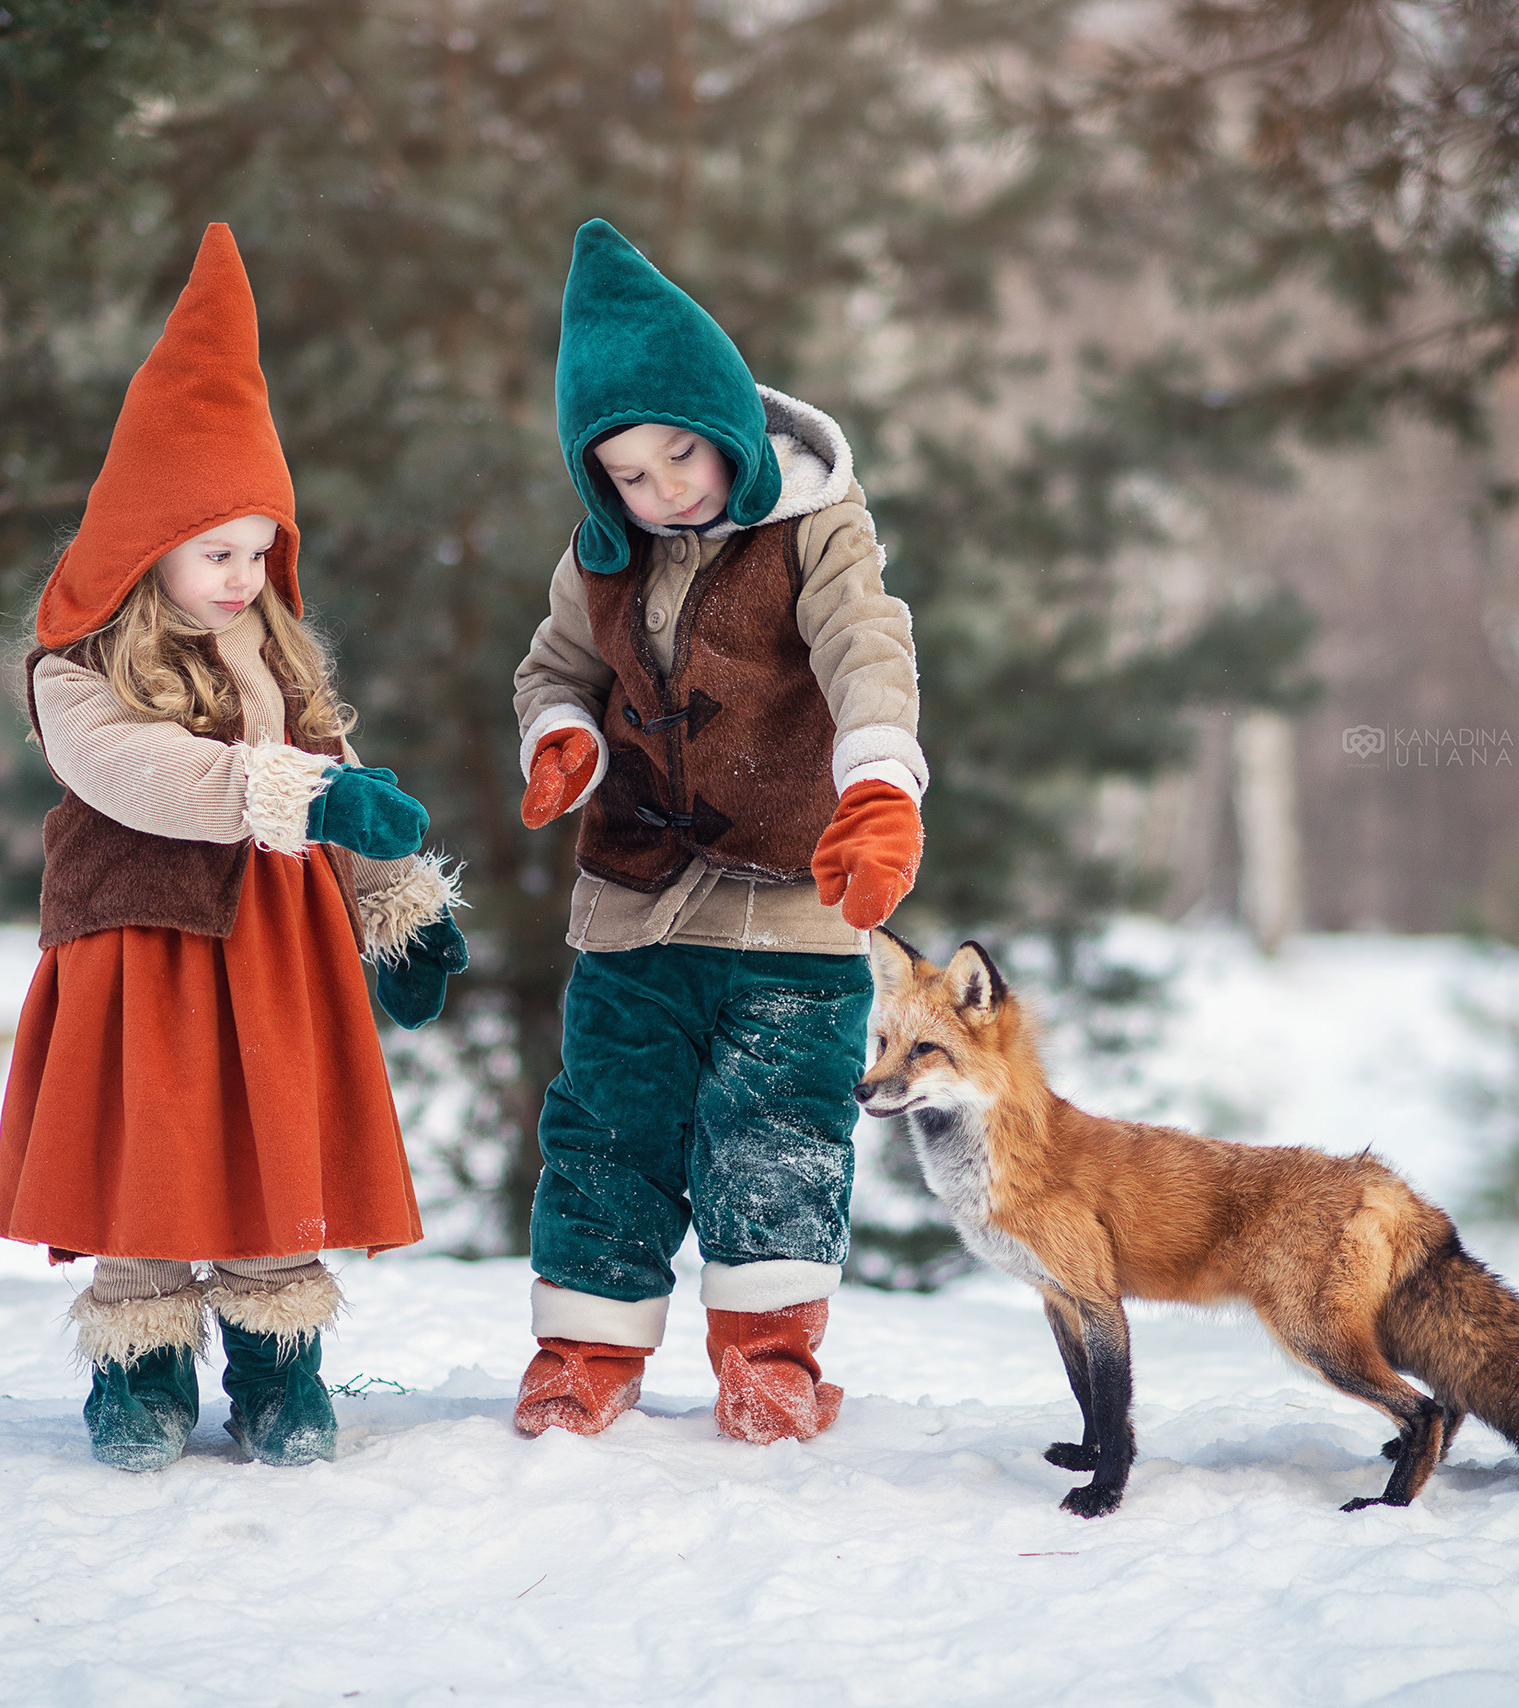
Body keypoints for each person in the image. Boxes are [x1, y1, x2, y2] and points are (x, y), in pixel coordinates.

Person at [0, 225, 466, 1473]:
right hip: (141, 948)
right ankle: (141, 1377)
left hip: (271, 953)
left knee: (273, 1156)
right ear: (148, 545)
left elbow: (341, 781)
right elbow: (142, 776)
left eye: (262, 550)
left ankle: (277, 1370)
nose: (247, 575)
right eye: (218, 551)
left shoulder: (274, 653)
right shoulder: (75, 673)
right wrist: (300, 799)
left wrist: (401, 901)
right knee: (153, 1157)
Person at [508, 219, 926, 1445]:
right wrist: (559, 739)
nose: (662, 491)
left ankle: (770, 1359)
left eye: (680, 455)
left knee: (779, 1128)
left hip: (797, 895)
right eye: (627, 475)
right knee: (605, 1125)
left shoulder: (818, 528)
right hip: (636, 896)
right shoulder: (600, 557)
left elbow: (869, 651)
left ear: (729, 426)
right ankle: (584, 1353)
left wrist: (882, 783)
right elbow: (551, 670)